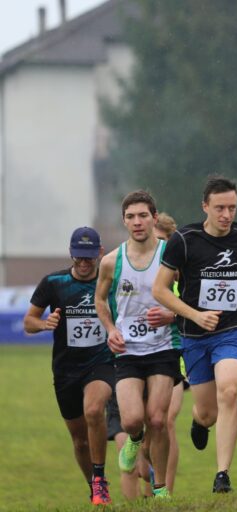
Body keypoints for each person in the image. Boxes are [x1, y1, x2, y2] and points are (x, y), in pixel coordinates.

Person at [152, 176, 237, 493]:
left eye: (231, 207)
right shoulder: (184, 240)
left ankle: (222, 475)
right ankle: (199, 420)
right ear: (205, 206)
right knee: (208, 412)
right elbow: (160, 289)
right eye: (219, 208)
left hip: (231, 331)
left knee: (230, 391)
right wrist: (195, 315)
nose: (226, 215)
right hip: (194, 335)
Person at [95, 191, 180, 498]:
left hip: (163, 346)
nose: (137, 222)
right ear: (124, 221)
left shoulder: (171, 254)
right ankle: (134, 439)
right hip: (128, 350)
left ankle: (160, 490)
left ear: (154, 218)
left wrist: (172, 314)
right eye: (131, 216)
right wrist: (109, 329)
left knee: (158, 419)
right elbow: (100, 299)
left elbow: (188, 293)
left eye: (143, 215)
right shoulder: (110, 261)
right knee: (132, 420)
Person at [23, 227, 114, 505]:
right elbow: (29, 322)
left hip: (101, 362)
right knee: (79, 440)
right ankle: (93, 488)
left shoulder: (110, 280)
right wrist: (44, 324)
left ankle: (100, 478)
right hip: (65, 371)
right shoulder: (54, 282)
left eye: (89, 257)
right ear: (70, 253)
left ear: (99, 253)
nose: (84, 263)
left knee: (94, 409)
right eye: (79, 257)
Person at [152, 212, 184, 494]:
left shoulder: (178, 270)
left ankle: (166, 490)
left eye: (162, 241)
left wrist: (172, 315)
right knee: (146, 422)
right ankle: (148, 487)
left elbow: (193, 304)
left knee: (166, 421)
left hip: (175, 350)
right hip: (140, 353)